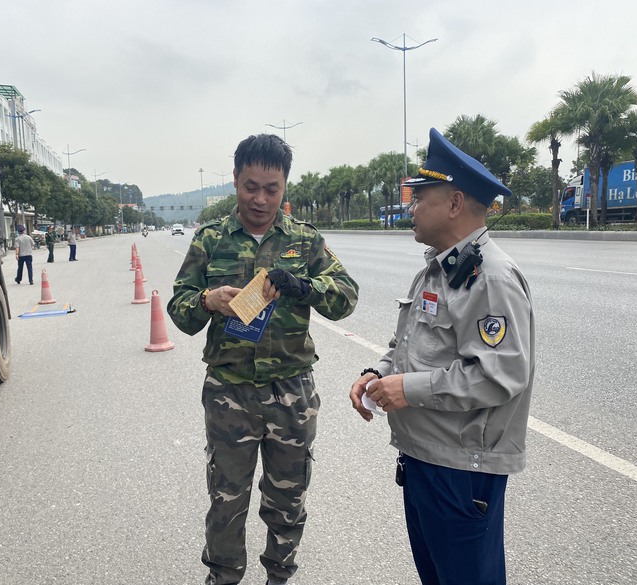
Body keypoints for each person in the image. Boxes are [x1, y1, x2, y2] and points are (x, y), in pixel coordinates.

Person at [168, 134, 359, 585]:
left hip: (291, 393)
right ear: (235, 180)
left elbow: (346, 297)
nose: (260, 198)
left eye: (271, 189)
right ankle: (225, 577)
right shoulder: (210, 240)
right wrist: (209, 301)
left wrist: (304, 287)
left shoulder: (305, 241)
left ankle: (279, 576)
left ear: (284, 186)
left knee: (287, 498)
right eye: (250, 186)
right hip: (229, 392)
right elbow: (180, 311)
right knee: (226, 498)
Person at [349, 128, 535, 585]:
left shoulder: (489, 278)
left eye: (420, 198)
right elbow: (413, 347)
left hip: (462, 471)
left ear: (453, 203)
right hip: (427, 459)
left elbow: (500, 375)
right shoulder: (439, 268)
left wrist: (406, 389)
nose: (411, 208)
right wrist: (379, 373)